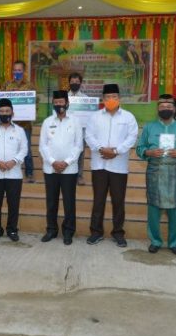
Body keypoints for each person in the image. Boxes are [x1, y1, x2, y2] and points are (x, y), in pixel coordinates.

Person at [137, 94, 176, 255]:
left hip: (175, 171)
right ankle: (155, 241)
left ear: (174, 109)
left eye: (169, 107)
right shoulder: (149, 127)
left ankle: (174, 242)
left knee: (175, 208)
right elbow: (140, 148)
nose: (165, 109)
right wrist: (149, 152)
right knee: (154, 208)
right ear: (158, 109)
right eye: (162, 106)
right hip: (155, 171)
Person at [85, 84, 139, 247]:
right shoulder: (95, 117)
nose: (111, 99)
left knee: (118, 201)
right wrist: (101, 149)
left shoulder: (128, 117)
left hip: (119, 166)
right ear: (103, 99)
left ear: (119, 98)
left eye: (114, 96)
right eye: (108, 97)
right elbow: (89, 136)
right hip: (99, 165)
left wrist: (116, 151)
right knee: (98, 200)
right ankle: (96, 232)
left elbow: (132, 137)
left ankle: (118, 233)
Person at [39, 91, 83, 245]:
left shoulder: (75, 122)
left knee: (69, 202)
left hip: (69, 169)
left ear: (67, 103)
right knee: (51, 201)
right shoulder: (47, 122)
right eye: (56, 102)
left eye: (61, 102)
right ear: (53, 104)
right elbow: (43, 146)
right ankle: (51, 230)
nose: (59, 105)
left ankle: (68, 232)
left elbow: (78, 145)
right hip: (50, 169)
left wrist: (66, 162)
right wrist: (53, 162)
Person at [0, 98, 28, 242]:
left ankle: (12, 230)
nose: (4, 113)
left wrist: (14, 161)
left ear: (12, 113)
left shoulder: (19, 131)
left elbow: (24, 149)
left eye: (7, 111)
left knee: (13, 205)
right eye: (1, 111)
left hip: (14, 174)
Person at [0, 60, 36, 183]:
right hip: (9, 124)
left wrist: (32, 113)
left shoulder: (30, 86)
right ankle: (11, 172)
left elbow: (35, 104)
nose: (17, 72)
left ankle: (29, 173)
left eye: (19, 70)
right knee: (10, 148)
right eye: (15, 70)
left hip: (25, 125)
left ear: (24, 71)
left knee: (27, 150)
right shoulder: (6, 85)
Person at [66, 72, 88, 186]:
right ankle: (68, 175)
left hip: (81, 133)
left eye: (77, 82)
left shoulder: (86, 99)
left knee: (80, 155)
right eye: (72, 82)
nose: (74, 83)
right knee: (67, 154)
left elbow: (90, 118)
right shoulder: (64, 97)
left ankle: (79, 176)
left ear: (80, 83)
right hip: (66, 132)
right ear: (69, 83)